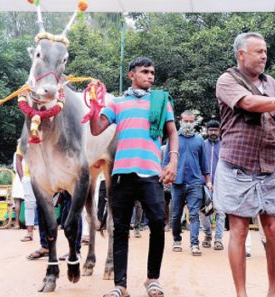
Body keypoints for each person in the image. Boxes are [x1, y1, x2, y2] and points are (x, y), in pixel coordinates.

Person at [214, 32, 275, 297]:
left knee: (274, 228)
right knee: (239, 229)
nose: (264, 56)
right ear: (241, 54)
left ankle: (273, 291)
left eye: (265, 51)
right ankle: (241, 294)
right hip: (237, 165)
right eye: (258, 51)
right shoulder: (227, 80)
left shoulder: (271, 83)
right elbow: (249, 103)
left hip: (269, 164)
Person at [88, 56, 178, 297]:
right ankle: (120, 286)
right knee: (120, 229)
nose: (150, 76)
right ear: (132, 75)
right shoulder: (117, 103)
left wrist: (173, 160)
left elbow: (172, 132)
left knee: (158, 223)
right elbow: (96, 128)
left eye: (152, 72)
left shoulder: (160, 101)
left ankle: (152, 279)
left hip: (151, 173)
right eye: (145, 72)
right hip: (121, 174)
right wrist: (94, 106)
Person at [163, 110, 211, 256]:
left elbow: (204, 164)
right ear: (180, 121)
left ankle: (194, 244)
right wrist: (166, 178)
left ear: (194, 122)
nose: (188, 124)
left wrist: (208, 181)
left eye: (191, 121)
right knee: (176, 215)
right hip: (177, 183)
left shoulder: (199, 140)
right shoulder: (173, 139)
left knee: (194, 214)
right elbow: (166, 162)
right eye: (186, 121)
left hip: (195, 182)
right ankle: (177, 240)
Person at [199, 119, 226, 250]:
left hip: (221, 184)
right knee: (204, 211)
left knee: (220, 212)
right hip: (204, 184)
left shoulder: (225, 146)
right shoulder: (202, 145)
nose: (213, 132)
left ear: (220, 131)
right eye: (211, 130)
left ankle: (218, 239)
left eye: (216, 130)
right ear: (207, 131)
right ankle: (208, 235)